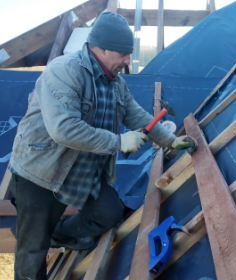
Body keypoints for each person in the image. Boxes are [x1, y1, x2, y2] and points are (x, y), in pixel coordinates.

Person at [8, 11, 197, 280]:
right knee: (32, 253)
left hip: (83, 174)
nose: (128, 60)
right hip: (41, 173)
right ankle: (36, 234)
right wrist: (118, 141)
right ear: (100, 47)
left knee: (108, 215)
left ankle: (50, 232)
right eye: (122, 53)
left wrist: (171, 140)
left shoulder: (116, 84)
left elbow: (138, 116)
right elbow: (64, 129)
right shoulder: (65, 71)